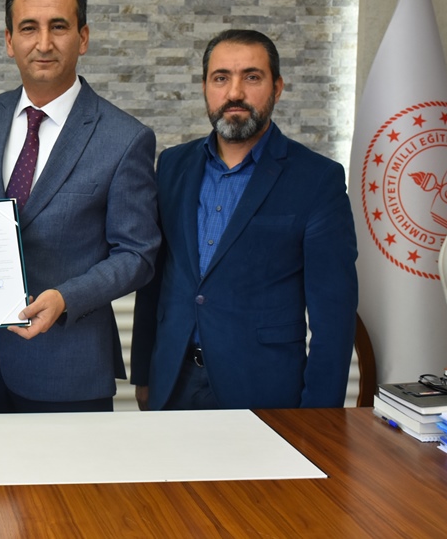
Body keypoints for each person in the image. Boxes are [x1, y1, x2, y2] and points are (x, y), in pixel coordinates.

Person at [0, 0, 161, 414]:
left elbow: (137, 254)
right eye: (29, 28)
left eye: (59, 27)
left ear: (83, 38)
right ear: (9, 40)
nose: (44, 43)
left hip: (68, 367)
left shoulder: (125, 138)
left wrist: (67, 298)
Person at [130, 29, 358, 411]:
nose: (234, 92)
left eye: (252, 77)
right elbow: (153, 281)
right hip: (172, 382)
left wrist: (320, 417)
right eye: (221, 78)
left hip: (264, 391)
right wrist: (144, 373)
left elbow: (333, 317)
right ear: (205, 87)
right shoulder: (172, 165)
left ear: (277, 88)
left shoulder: (318, 179)